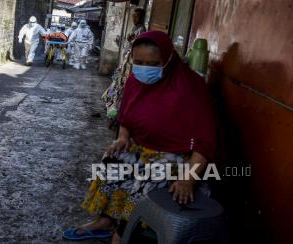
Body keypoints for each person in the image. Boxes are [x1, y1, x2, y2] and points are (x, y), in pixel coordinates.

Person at [63, 31, 217, 243]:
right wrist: (123, 138)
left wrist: (188, 178)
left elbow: (206, 141)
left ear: (169, 59)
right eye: (138, 62)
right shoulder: (134, 82)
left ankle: (124, 232)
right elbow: (126, 116)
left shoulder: (191, 88)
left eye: (152, 63)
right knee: (112, 161)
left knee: (147, 180)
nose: (144, 68)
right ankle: (105, 221)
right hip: (141, 147)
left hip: (178, 157)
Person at [102, 8, 147, 122]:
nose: (134, 18)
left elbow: (138, 45)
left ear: (141, 17)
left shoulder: (141, 29)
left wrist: (132, 40)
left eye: (136, 16)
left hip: (131, 61)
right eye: (133, 16)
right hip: (127, 59)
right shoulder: (135, 28)